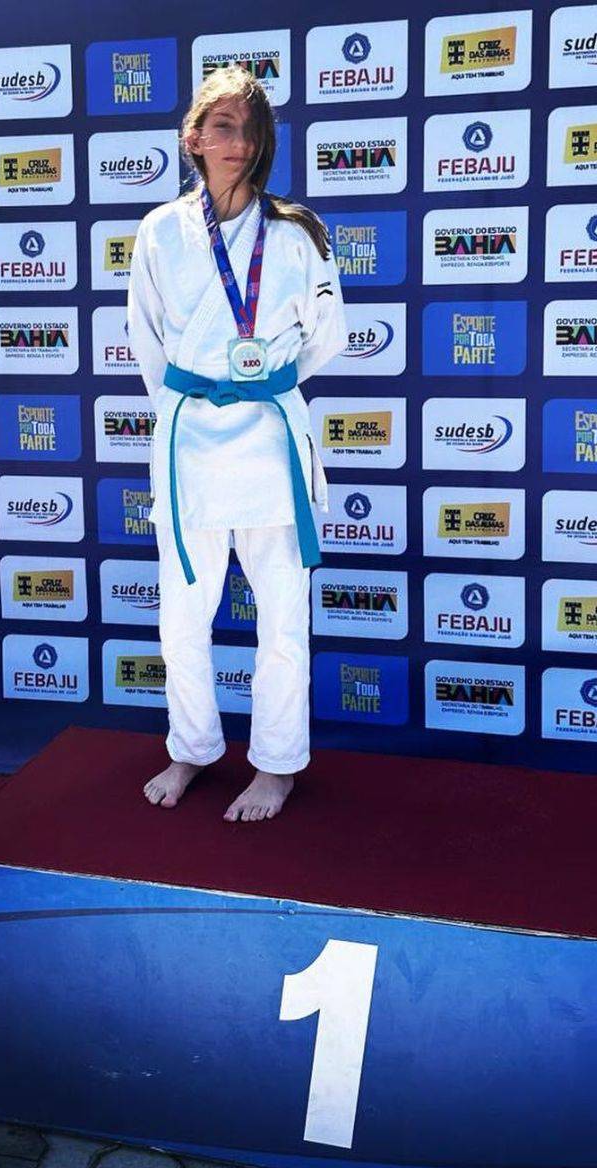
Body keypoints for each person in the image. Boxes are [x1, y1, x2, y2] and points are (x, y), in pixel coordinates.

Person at [127, 64, 346, 823]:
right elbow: (146, 341)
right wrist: (191, 402)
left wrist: (262, 387)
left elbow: (327, 337)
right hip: (190, 443)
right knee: (182, 617)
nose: (239, 143)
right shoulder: (160, 231)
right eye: (223, 127)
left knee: (281, 616)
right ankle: (191, 746)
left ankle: (276, 765)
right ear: (192, 137)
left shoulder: (296, 233)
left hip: (268, 443)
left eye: (251, 130)